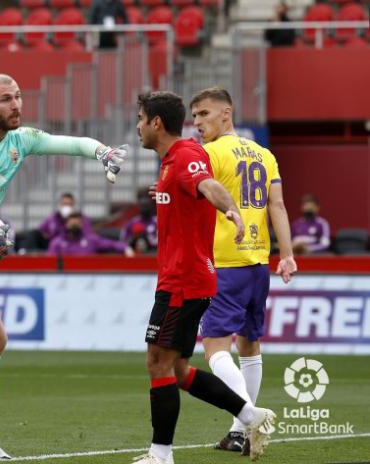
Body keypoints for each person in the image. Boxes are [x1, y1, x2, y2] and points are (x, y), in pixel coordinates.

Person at [0, 73, 128, 462]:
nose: (15, 105)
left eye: (17, 97)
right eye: (4, 100)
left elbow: (66, 143)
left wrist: (101, 151)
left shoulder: (21, 140)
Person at [132, 91, 275, 464]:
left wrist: (233, 212)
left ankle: (160, 454)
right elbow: (190, 191)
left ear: (156, 123)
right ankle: (250, 416)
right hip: (186, 278)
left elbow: (208, 186)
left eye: (141, 119)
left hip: (184, 281)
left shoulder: (187, 155)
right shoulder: (170, 164)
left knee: (157, 363)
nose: (138, 127)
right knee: (177, 369)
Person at [189, 87, 297, 455]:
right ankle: (238, 433)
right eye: (194, 116)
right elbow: (277, 206)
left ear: (226, 114)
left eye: (204, 114)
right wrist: (288, 253)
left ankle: (250, 416)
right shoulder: (264, 154)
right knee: (250, 345)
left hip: (225, 263)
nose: (197, 123)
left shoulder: (210, 153)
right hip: (258, 264)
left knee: (214, 348)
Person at [47, 212, 134, 256]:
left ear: (81, 225)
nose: (74, 226)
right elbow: (49, 263)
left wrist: (126, 248)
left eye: (77, 224)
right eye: (72, 224)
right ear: (66, 225)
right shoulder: (56, 243)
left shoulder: (91, 240)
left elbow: (111, 244)